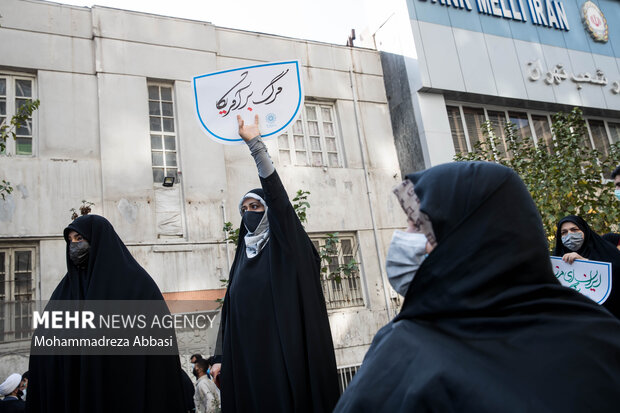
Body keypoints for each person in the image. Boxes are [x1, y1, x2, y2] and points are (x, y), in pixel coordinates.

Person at [335, 162, 620, 412]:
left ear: (466, 238)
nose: (403, 237)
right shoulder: (600, 331)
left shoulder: (404, 353)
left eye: (417, 226)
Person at [211, 115, 339, 412]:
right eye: (243, 209)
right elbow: (229, 312)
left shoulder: (287, 251)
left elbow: (279, 202)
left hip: (284, 365)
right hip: (248, 371)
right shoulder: (242, 258)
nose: (249, 214)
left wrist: (256, 146)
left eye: (255, 207)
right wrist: (219, 358)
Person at [26, 214, 187, 412]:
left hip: (123, 393)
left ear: (99, 241)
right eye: (70, 241)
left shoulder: (137, 286)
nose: (73, 246)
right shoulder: (65, 292)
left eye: (79, 239)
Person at [554, 215, 620, 318]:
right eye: (564, 232)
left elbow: (616, 275)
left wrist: (586, 263)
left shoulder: (605, 251)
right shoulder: (557, 260)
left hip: (606, 319)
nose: (569, 235)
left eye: (574, 230)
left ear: (584, 230)